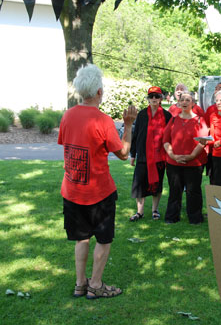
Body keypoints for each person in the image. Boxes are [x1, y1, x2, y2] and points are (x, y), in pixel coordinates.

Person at [58, 64, 137, 299]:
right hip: (99, 193)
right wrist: (129, 124)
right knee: (103, 239)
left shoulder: (67, 115)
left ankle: (80, 284)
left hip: (72, 189)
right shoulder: (102, 121)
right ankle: (95, 285)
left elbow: (67, 145)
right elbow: (123, 153)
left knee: (81, 238)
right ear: (99, 92)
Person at [163, 92, 208, 225]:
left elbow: (203, 140)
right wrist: (172, 155)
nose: (184, 102)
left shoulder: (200, 120)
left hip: (194, 163)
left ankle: (195, 218)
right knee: (174, 190)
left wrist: (192, 156)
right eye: (182, 100)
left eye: (188, 100)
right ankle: (172, 217)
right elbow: (165, 140)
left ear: (193, 103)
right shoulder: (173, 120)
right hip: (173, 163)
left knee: (193, 192)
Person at [129, 86, 172, 222]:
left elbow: (171, 136)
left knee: (157, 185)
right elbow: (135, 135)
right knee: (139, 184)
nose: (154, 99)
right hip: (143, 155)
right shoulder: (141, 115)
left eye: (157, 96)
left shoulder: (167, 115)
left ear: (161, 98)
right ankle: (139, 212)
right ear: (148, 99)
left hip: (159, 156)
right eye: (151, 96)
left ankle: (155, 210)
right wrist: (133, 154)